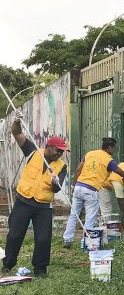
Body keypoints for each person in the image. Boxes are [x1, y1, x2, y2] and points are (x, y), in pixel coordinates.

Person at [1, 110, 69, 277]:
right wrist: (16, 121)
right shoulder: (33, 151)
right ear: (49, 146)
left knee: (43, 238)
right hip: (23, 201)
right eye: (58, 150)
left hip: (43, 206)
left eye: (62, 151)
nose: (60, 153)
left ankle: (40, 269)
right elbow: (17, 133)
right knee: (15, 235)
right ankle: (7, 265)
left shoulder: (62, 166)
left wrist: (55, 182)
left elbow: (57, 188)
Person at [62, 137, 124, 247]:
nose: (114, 150)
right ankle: (87, 243)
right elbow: (123, 174)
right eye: (114, 148)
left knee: (73, 215)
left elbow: (78, 169)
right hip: (91, 190)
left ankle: (67, 240)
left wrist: (73, 185)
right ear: (109, 147)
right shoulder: (109, 160)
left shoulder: (90, 154)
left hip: (78, 187)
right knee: (90, 218)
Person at [98, 162, 124, 226]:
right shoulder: (118, 184)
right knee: (106, 209)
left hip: (104, 177)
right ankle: (105, 228)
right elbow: (120, 203)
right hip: (102, 185)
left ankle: (100, 224)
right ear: (123, 181)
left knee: (99, 207)